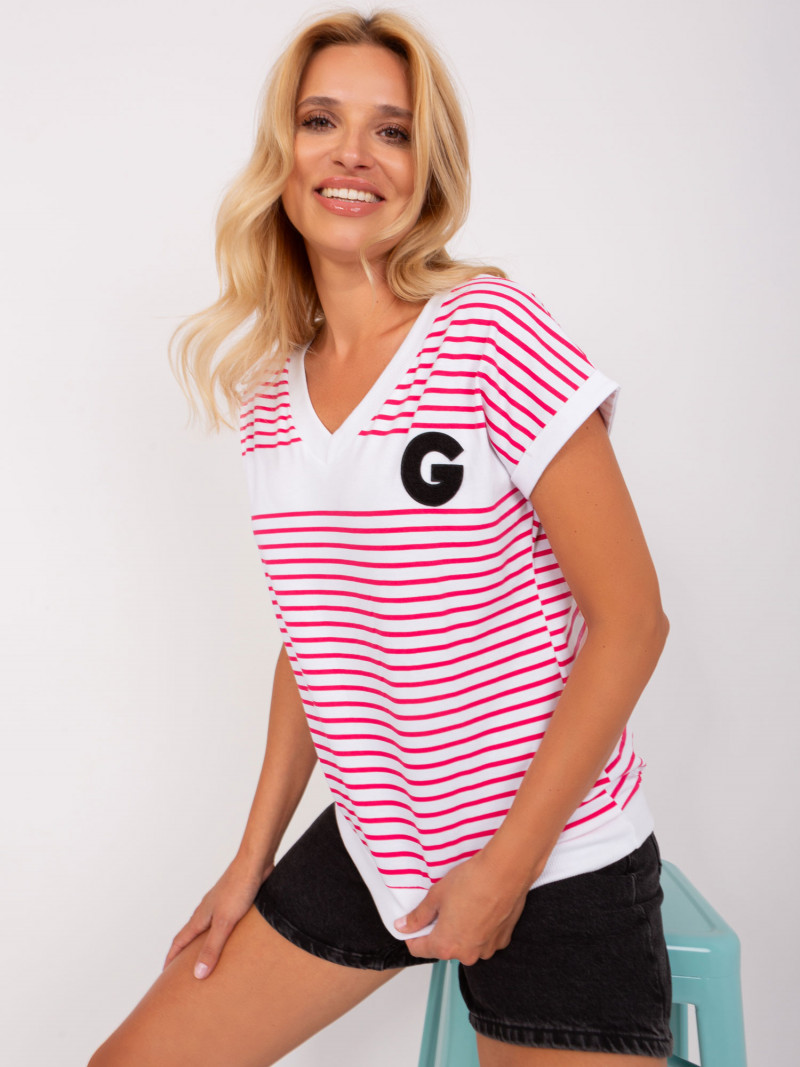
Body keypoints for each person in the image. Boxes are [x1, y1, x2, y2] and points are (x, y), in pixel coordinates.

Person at [89, 9, 673, 1066]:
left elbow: (632, 620)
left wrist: (506, 869)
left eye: (392, 131)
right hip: (379, 843)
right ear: (283, 155)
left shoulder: (490, 331)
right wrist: (250, 862)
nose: (353, 153)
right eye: (322, 121)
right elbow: (316, 641)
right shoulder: (271, 403)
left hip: (555, 852)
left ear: (424, 167)